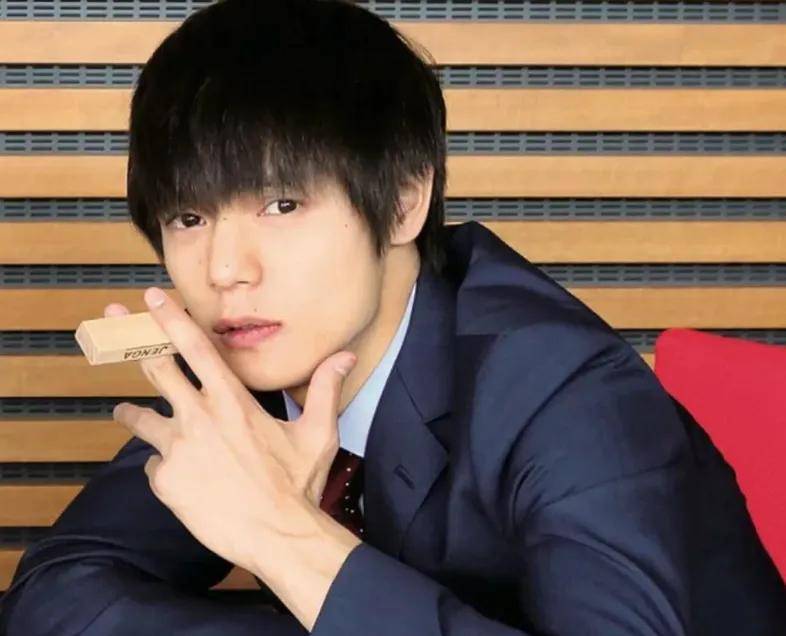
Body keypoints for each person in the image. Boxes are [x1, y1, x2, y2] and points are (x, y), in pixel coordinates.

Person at [1, 0, 784, 634]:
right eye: (188, 218)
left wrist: (282, 538)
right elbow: (55, 596)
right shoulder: (255, 350)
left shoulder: (563, 388)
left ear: (406, 199)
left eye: (282, 205)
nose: (225, 271)